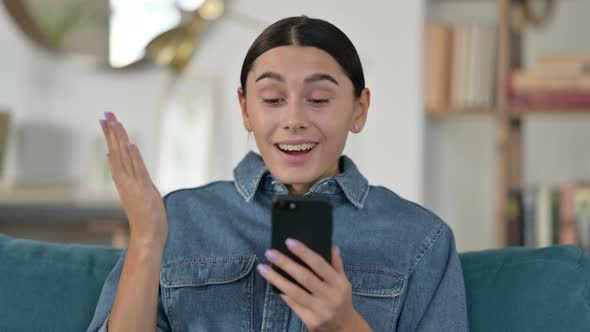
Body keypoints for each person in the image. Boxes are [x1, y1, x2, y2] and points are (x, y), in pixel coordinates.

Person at [87, 15, 468, 332]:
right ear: (245, 108)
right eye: (272, 99)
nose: (294, 120)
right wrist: (148, 239)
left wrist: (345, 324)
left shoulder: (421, 240)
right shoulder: (177, 220)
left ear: (359, 109)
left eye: (319, 99)